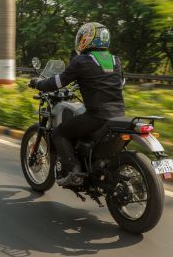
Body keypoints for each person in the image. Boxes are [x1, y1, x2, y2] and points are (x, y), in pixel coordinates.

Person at [29, 23, 125, 186]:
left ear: (88, 39)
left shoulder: (82, 61)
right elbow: (119, 83)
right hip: (118, 115)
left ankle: (74, 170)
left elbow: (58, 82)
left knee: (59, 133)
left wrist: (38, 84)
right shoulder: (115, 60)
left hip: (96, 116)